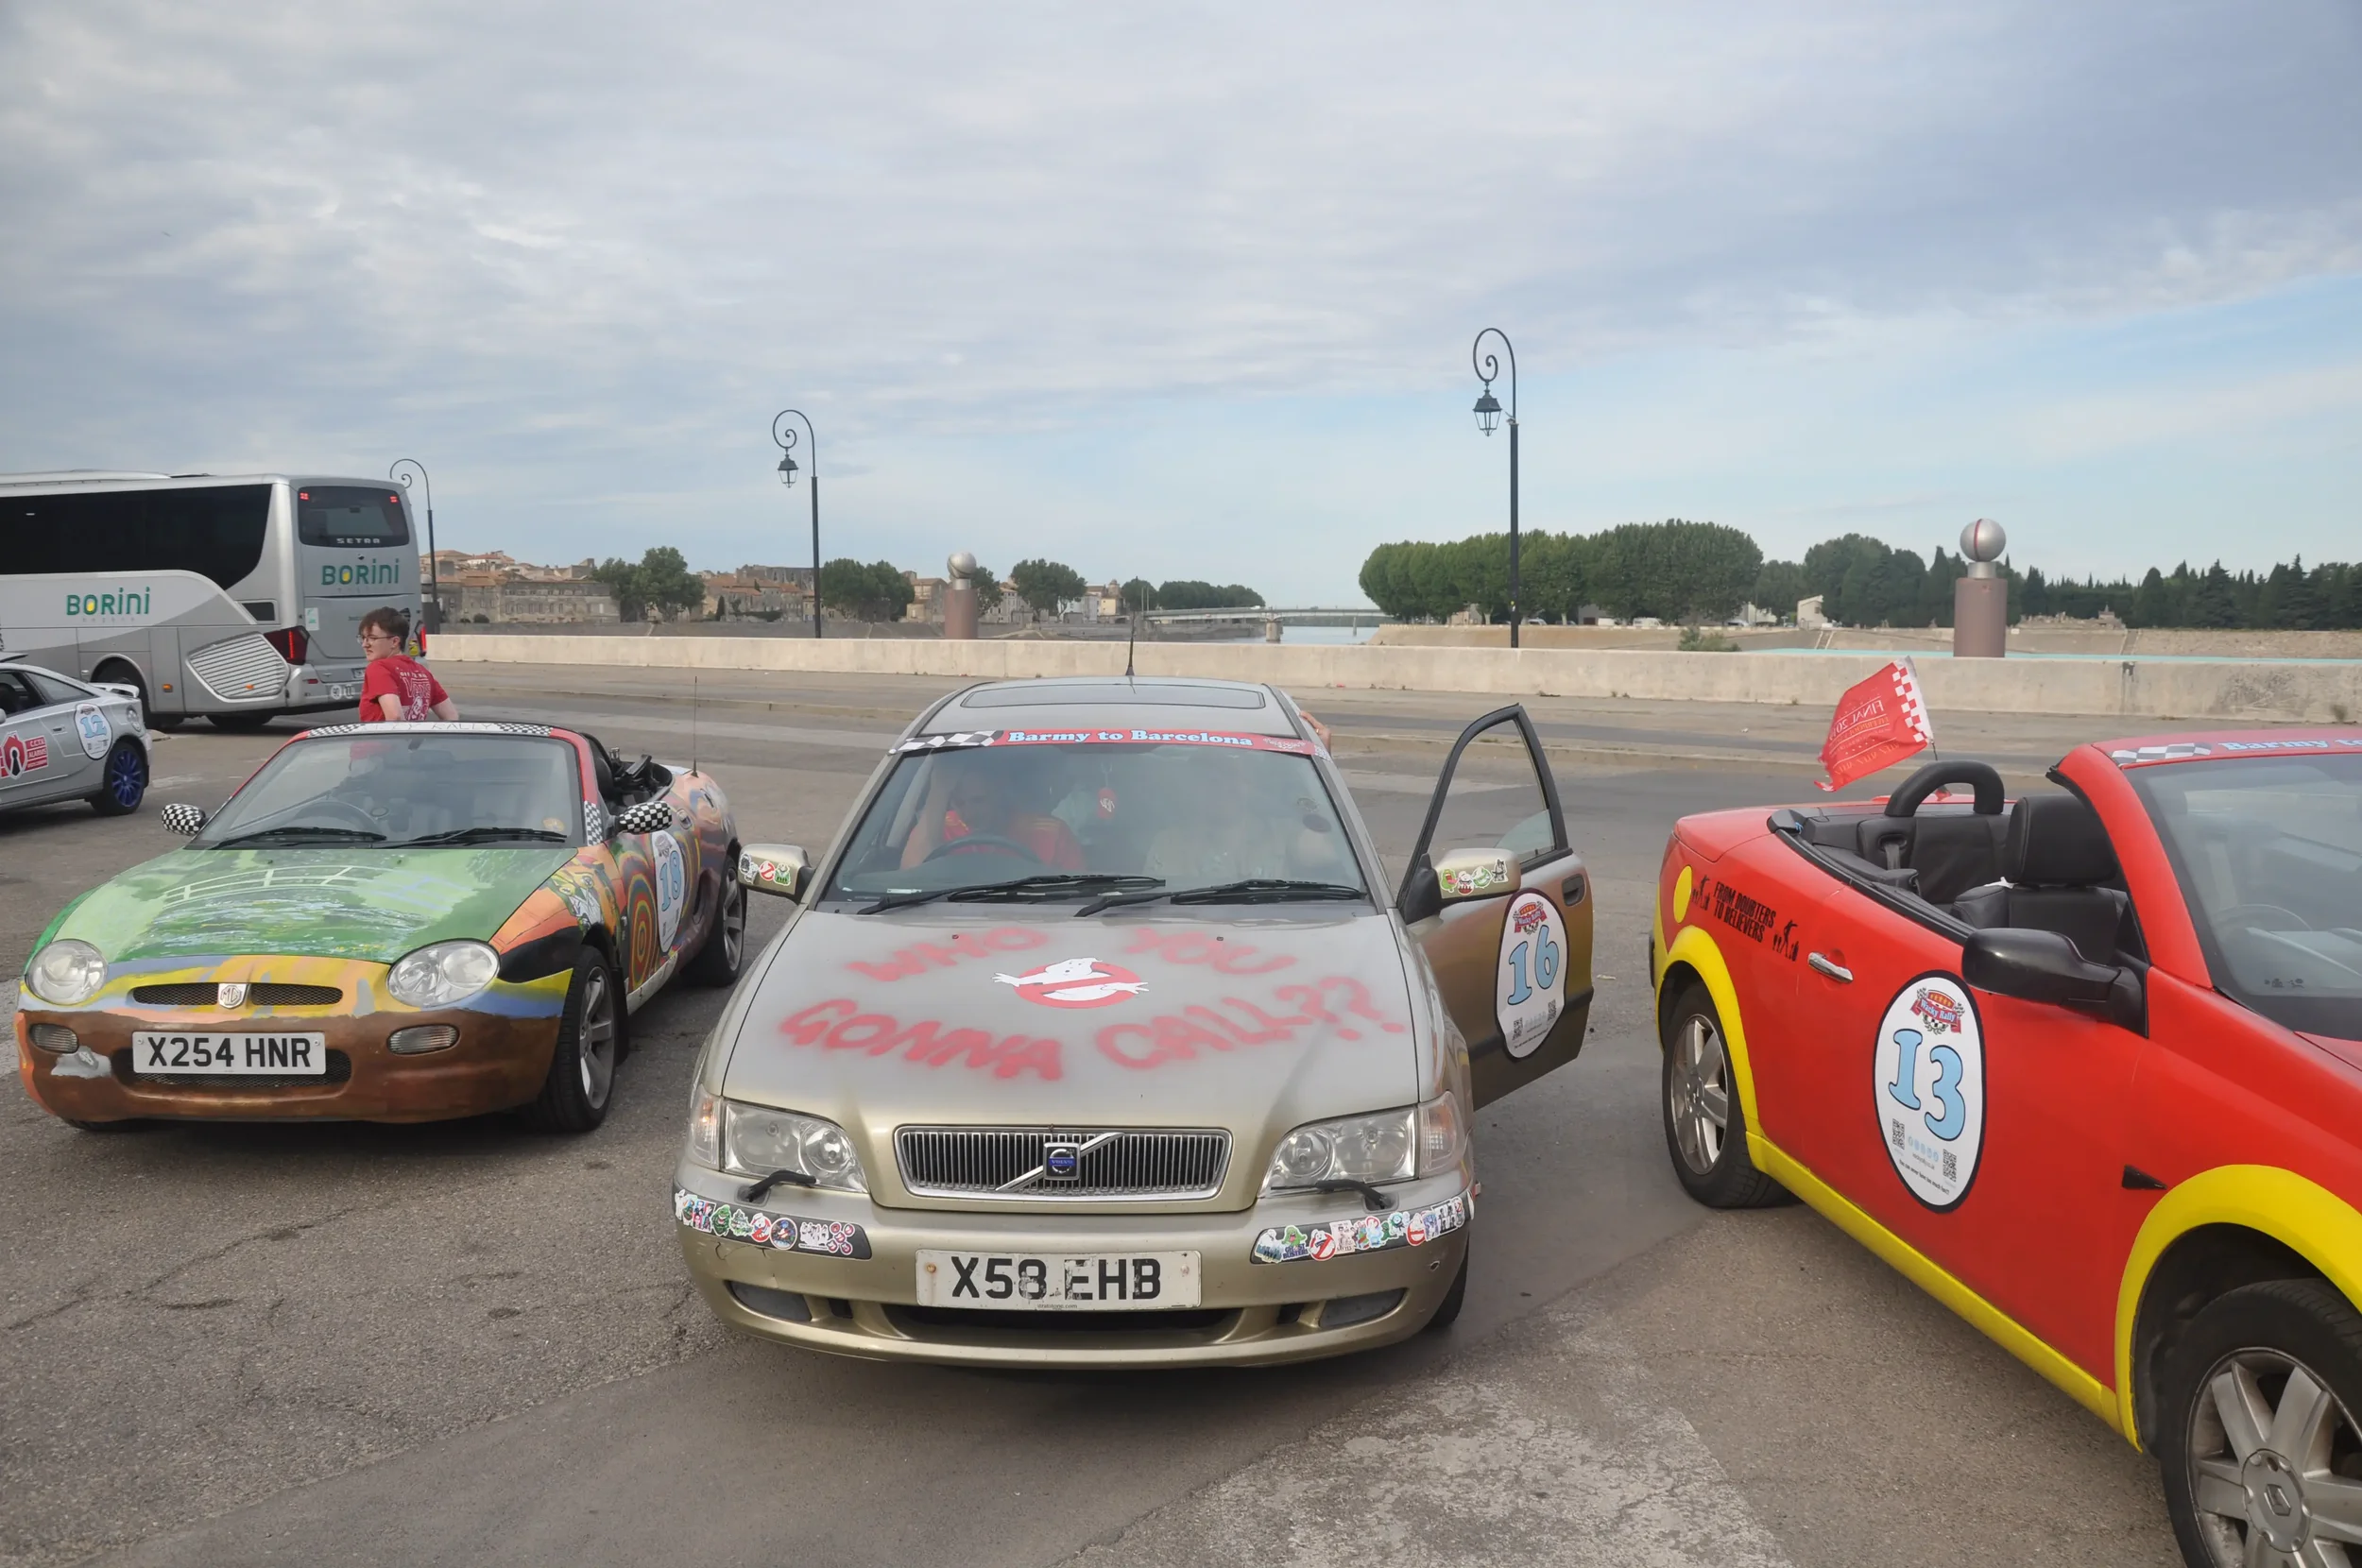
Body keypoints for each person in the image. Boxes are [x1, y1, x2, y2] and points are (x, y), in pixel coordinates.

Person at [900, 751, 1085, 871]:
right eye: (959, 803)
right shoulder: (939, 826)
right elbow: (908, 880)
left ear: (1000, 794)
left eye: (979, 801)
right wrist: (939, 791)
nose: (969, 814)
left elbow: (1078, 892)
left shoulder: (1049, 833)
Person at [357, 607, 458, 724]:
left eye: (372, 638)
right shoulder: (422, 672)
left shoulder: (378, 668)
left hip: (381, 741)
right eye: (363, 638)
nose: (365, 644)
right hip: (413, 741)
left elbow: (395, 717)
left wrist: (395, 740)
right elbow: (451, 716)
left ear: (395, 642)